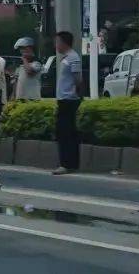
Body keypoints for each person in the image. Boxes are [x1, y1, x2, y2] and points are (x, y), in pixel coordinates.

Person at [52, 30, 82, 175]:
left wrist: (75, 93)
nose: (55, 45)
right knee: (64, 131)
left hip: (69, 100)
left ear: (63, 43)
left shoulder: (73, 57)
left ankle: (67, 164)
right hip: (63, 99)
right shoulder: (66, 57)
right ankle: (70, 163)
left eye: (57, 42)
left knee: (65, 132)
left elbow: (78, 78)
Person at [12, 37, 42, 101]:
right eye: (21, 49)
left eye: (24, 48)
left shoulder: (37, 62)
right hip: (20, 97)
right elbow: (16, 80)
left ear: (31, 48)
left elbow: (29, 72)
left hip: (32, 97)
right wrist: (13, 96)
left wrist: (24, 59)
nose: (22, 50)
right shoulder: (20, 64)